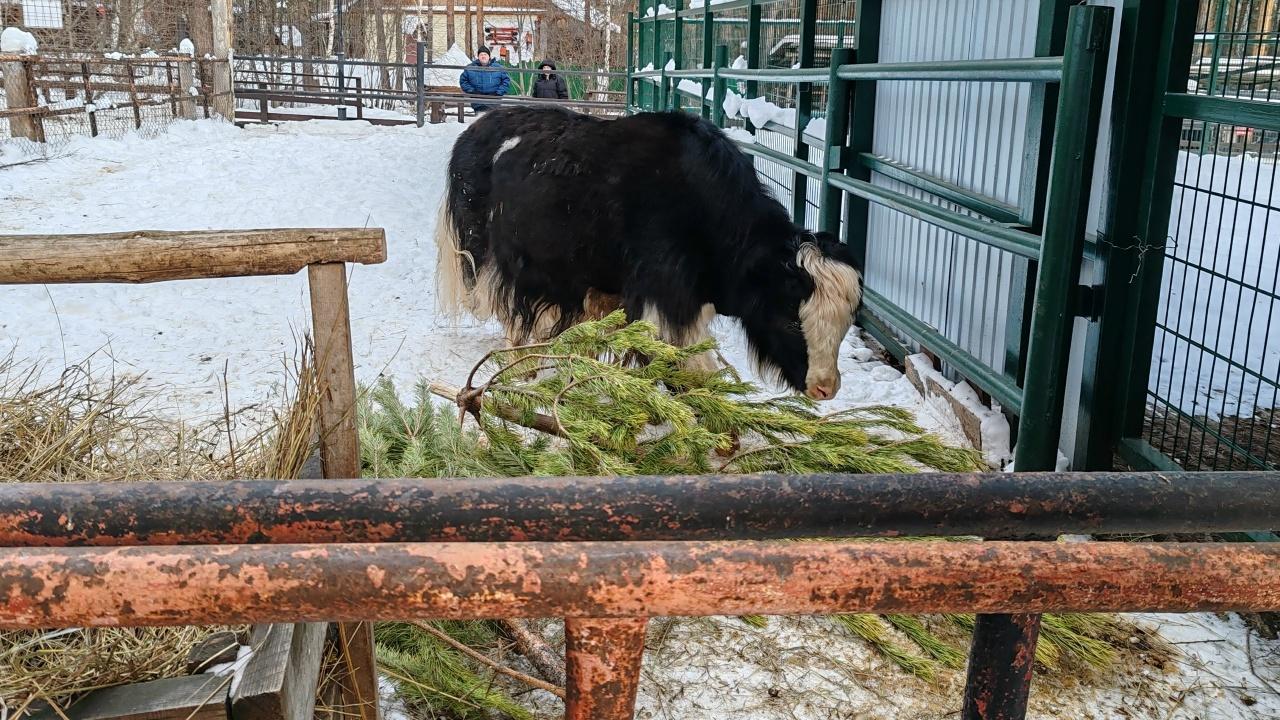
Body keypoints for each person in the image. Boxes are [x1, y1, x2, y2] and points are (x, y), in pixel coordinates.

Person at [459, 46, 510, 113]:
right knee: (480, 121)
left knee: (493, 121)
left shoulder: (498, 68)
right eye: (481, 55)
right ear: (478, 56)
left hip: (494, 102)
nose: (483, 56)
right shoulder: (470, 68)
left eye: (485, 54)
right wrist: (472, 91)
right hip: (478, 102)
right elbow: (463, 81)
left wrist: (498, 93)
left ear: (489, 56)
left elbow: (506, 81)